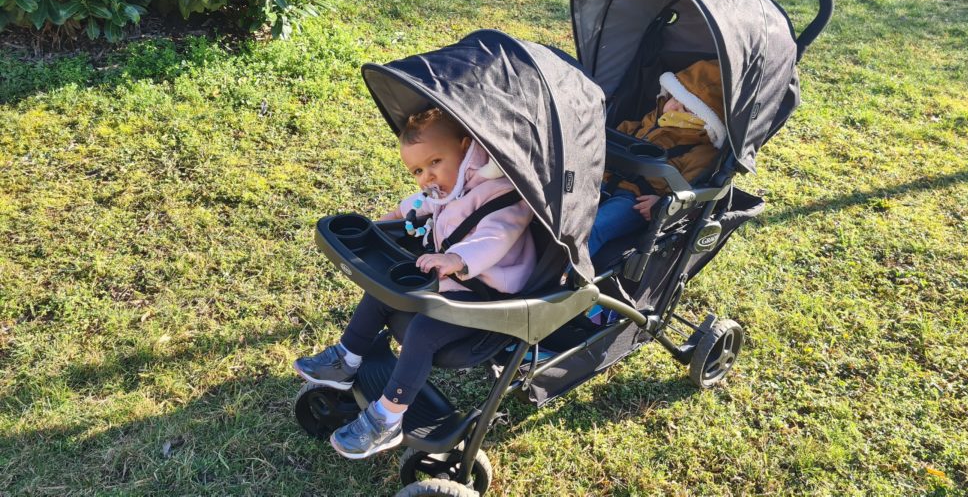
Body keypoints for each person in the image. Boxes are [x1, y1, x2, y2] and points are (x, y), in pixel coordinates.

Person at [294, 107, 536, 459]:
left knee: (423, 330)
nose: (427, 177)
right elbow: (424, 202)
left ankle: (388, 417)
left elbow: (496, 237)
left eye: (435, 161)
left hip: (489, 298)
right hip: (453, 282)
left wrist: (457, 260)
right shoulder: (449, 187)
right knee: (385, 290)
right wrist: (389, 220)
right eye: (418, 170)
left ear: (466, 147)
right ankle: (346, 359)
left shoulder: (501, 193)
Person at [589, 60, 727, 255]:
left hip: (638, 201)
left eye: (687, 109)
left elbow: (691, 192)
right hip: (601, 179)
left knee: (595, 227)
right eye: (674, 99)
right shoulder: (643, 123)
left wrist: (663, 203)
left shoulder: (701, 153)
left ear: (707, 121)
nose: (674, 108)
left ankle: (564, 274)